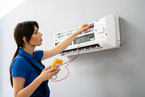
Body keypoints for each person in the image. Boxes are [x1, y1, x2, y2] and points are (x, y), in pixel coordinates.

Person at [9, 21, 89, 97]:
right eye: (35, 32)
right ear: (25, 39)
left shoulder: (36, 55)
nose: (41, 34)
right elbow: (18, 95)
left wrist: (77, 32)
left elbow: (58, 48)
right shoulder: (19, 62)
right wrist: (40, 78)